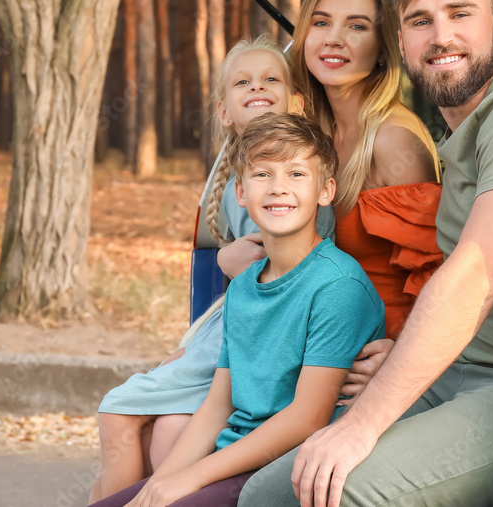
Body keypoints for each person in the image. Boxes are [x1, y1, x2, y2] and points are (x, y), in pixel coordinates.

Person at [238, 0, 493, 507]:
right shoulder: (458, 133)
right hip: (449, 367)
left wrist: (362, 425)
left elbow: (474, 273)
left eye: (460, 14)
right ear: (402, 46)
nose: (441, 35)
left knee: (338, 492)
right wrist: (400, 348)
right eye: (420, 21)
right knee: (266, 493)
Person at [88, 113, 386, 507]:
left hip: (285, 468)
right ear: (241, 192)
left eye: (297, 174)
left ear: (325, 190)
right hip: (233, 453)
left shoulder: (338, 287)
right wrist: (159, 485)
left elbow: (306, 418)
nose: (279, 188)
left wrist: (189, 479)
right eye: (263, 174)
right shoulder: (244, 286)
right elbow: (218, 405)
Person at [89, 36, 333, 502]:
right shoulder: (230, 187)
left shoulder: (298, 182)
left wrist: (231, 262)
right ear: (224, 112)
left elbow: (284, 274)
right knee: (141, 429)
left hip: (258, 330)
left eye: (270, 79)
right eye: (243, 82)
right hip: (225, 328)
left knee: (121, 411)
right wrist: (224, 261)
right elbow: (243, 276)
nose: (257, 86)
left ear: (296, 102)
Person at [290, 0, 442, 347]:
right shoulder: (309, 132)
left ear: (382, 49)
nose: (334, 39)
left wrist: (398, 353)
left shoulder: (393, 141)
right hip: (311, 335)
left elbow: (433, 276)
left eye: (356, 26)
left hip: (376, 350)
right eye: (321, 22)